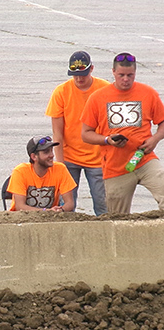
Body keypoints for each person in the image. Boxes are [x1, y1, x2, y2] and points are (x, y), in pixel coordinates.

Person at [81, 52, 164, 214]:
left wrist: (155, 139)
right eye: (121, 75)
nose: (125, 79)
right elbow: (85, 134)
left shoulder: (148, 93)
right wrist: (107, 140)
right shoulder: (97, 98)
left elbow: (162, 122)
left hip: (144, 158)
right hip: (115, 166)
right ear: (113, 72)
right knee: (117, 217)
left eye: (130, 75)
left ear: (135, 73)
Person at [45, 51, 110, 215]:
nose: (79, 79)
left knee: (103, 206)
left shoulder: (105, 89)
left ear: (92, 69)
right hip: (69, 157)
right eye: (75, 75)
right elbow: (57, 134)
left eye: (83, 74)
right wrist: (60, 165)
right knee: (66, 207)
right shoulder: (61, 92)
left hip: (97, 158)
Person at [7, 136, 76, 212]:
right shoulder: (20, 171)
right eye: (46, 152)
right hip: (22, 219)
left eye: (51, 151)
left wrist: (61, 210)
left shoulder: (60, 169)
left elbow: (70, 203)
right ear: (34, 157)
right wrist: (46, 211)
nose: (52, 155)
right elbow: (20, 207)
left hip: (49, 218)